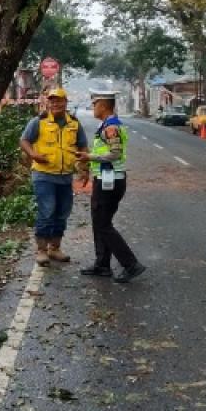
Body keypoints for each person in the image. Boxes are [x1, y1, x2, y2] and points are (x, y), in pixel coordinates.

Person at [76, 91, 146, 283]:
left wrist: (89, 157)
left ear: (104, 106)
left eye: (94, 104)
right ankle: (102, 265)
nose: (93, 108)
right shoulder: (106, 125)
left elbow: (115, 154)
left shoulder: (111, 127)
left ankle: (131, 264)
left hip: (110, 181)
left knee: (103, 224)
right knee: (100, 222)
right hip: (106, 179)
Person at [19, 87, 90, 266]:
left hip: (66, 176)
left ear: (66, 102)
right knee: (47, 210)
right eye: (52, 100)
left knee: (62, 212)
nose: (56, 103)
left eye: (59, 100)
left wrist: (84, 169)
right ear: (48, 103)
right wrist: (33, 154)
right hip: (43, 175)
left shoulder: (74, 123)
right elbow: (24, 140)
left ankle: (55, 248)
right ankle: (42, 250)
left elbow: (83, 146)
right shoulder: (39, 121)